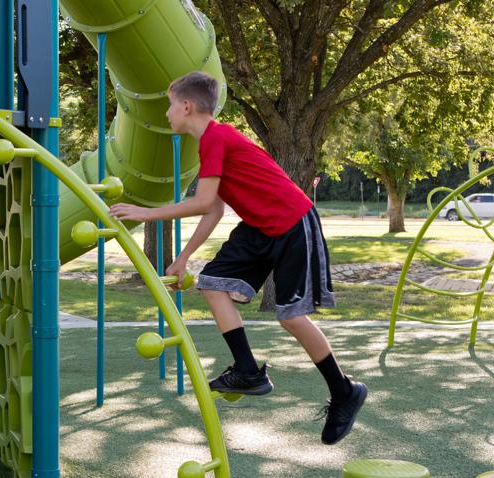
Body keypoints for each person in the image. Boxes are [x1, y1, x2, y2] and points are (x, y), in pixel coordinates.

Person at [109, 71, 366, 445]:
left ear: (185, 105)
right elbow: (212, 209)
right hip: (261, 227)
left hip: (292, 221)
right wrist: (183, 258)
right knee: (212, 283)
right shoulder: (211, 143)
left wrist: (145, 212)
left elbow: (199, 204)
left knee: (291, 316)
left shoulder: (216, 137)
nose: (167, 114)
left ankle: (344, 391)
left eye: (169, 105)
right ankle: (248, 371)